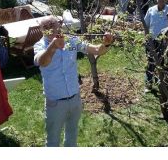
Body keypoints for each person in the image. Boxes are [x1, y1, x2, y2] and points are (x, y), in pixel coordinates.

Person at [33, 16, 114, 147]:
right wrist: (53, 47)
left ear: (59, 26)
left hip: (75, 98)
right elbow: (42, 62)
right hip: (55, 102)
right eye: (46, 27)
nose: (51, 29)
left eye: (53, 25)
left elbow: (97, 50)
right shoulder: (40, 45)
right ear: (42, 30)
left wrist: (106, 43)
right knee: (53, 140)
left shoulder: (71, 41)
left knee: (72, 136)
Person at [144, 0, 168, 92]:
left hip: (165, 42)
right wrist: (146, 39)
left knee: (162, 64)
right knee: (150, 63)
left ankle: (160, 84)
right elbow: (146, 26)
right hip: (151, 41)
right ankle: (148, 84)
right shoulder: (151, 10)